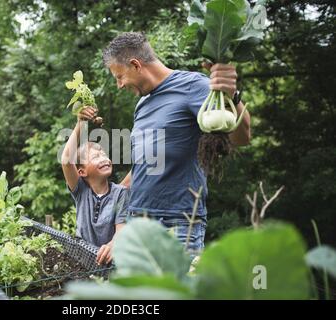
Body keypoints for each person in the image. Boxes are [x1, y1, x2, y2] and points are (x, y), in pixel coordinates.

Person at [102, 32, 251, 257]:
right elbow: (146, 164)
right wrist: (115, 213)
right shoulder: (142, 104)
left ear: (135, 65)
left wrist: (233, 96)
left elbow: (241, 137)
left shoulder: (193, 86)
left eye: (119, 76)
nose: (119, 85)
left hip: (177, 224)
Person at [61, 106, 129, 265]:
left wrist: (113, 244)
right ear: (82, 171)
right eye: (96, 157)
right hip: (81, 262)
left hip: (109, 263)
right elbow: (66, 160)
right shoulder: (81, 191)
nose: (104, 158)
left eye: (104, 154)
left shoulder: (120, 193)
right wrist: (81, 123)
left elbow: (121, 228)